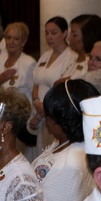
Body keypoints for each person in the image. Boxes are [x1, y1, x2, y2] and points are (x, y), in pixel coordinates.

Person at [31, 79, 97, 201]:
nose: (46, 122)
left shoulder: (71, 164)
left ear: (65, 121)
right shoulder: (63, 142)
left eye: (48, 118)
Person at [31, 16, 78, 157]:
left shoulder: (71, 57)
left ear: (65, 33)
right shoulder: (45, 55)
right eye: (46, 33)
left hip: (54, 112)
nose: (49, 37)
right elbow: (36, 82)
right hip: (39, 110)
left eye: (54, 32)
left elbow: (62, 88)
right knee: (40, 151)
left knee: (54, 151)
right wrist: (35, 102)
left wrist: (45, 108)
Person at [0, 22, 37, 105]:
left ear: (23, 42)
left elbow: (34, 94)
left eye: (16, 39)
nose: (11, 42)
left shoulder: (29, 63)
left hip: (21, 115)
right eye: (8, 38)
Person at [67, 13, 101, 80]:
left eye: (74, 35)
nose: (69, 39)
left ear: (88, 37)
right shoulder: (72, 57)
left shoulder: (92, 66)